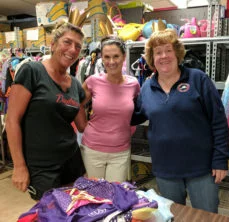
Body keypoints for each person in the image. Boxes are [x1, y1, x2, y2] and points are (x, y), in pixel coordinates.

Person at [131, 29, 229, 213]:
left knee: (206, 216)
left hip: (201, 168)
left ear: (177, 53)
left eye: (168, 50)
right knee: (173, 215)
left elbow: (218, 121)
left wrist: (220, 160)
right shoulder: (147, 88)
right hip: (166, 170)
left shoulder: (198, 79)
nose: (164, 56)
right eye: (158, 52)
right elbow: (135, 115)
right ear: (152, 58)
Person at [5, 21, 87, 201]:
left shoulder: (75, 84)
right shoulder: (32, 71)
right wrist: (19, 166)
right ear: (53, 44)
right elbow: (12, 121)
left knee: (73, 210)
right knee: (49, 214)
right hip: (42, 166)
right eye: (67, 42)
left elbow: (82, 126)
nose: (72, 49)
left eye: (78, 46)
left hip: (71, 159)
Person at [80, 36, 140, 182]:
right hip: (93, 149)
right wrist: (83, 127)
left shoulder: (133, 84)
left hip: (121, 151)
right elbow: (78, 104)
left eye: (116, 56)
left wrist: (130, 129)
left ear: (124, 57)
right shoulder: (93, 81)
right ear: (101, 58)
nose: (111, 62)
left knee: (115, 196)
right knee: (96, 196)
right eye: (107, 57)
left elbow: (137, 111)